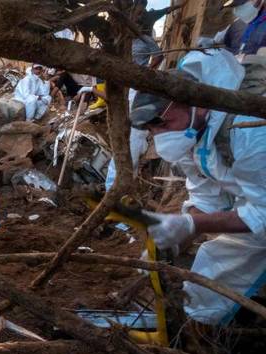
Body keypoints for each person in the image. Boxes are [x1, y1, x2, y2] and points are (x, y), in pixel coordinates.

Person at [130, 48, 266, 326]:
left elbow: (264, 213)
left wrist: (192, 224)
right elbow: (205, 195)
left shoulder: (248, 129)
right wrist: (176, 238)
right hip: (257, 194)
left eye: (163, 123)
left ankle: (200, 330)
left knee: (227, 255)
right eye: (151, 129)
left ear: (199, 104)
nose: (160, 135)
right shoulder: (195, 131)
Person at [98, 33, 163, 190]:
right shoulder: (118, 39)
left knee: (130, 138)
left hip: (135, 85)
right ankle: (119, 188)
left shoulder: (144, 39)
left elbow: (158, 56)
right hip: (121, 86)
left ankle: (116, 188)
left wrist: (146, 71)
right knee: (122, 134)